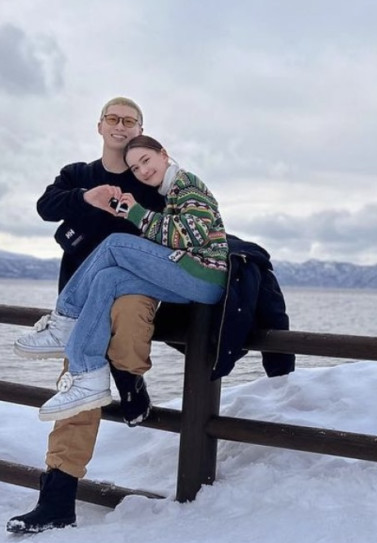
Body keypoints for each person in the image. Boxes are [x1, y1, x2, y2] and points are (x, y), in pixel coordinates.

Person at [7, 98, 165, 533]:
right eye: (113, 118)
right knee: (77, 393)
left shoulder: (152, 180)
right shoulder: (77, 175)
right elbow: (46, 207)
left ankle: (132, 381)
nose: (120, 125)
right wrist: (85, 198)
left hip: (134, 291)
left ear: (140, 129)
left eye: (129, 120)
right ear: (100, 126)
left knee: (132, 314)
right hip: (78, 305)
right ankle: (57, 500)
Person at [13, 135, 228, 421]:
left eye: (146, 161)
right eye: (136, 168)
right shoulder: (168, 191)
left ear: (164, 154)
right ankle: (88, 374)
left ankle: (64, 319)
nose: (143, 171)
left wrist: (138, 214)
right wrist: (135, 212)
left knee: (115, 243)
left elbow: (191, 234)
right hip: (185, 276)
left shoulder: (187, 183)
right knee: (108, 279)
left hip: (205, 276)